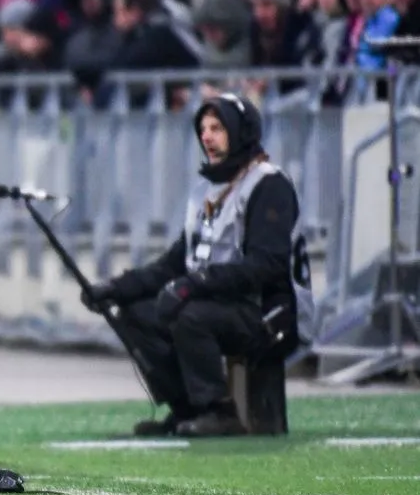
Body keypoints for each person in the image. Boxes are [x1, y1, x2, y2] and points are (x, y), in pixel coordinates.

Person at [81, 93, 314, 437]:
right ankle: (186, 408)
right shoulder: (207, 189)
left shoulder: (269, 184)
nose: (206, 136)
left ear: (241, 131)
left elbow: (267, 267)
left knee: (189, 313)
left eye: (217, 128)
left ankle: (218, 411)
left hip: (273, 312)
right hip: (224, 303)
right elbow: (174, 264)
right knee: (134, 311)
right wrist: (115, 289)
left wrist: (195, 284)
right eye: (203, 129)